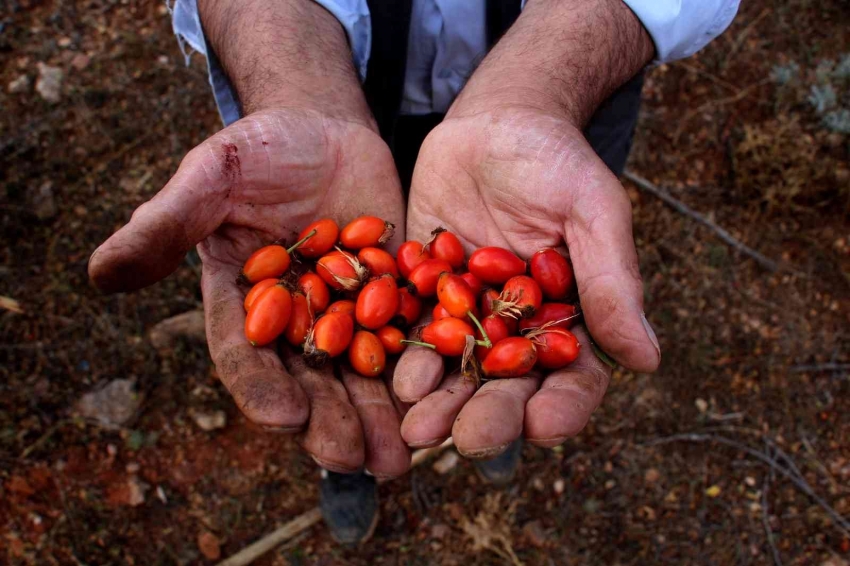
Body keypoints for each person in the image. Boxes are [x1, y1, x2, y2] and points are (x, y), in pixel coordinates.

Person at [89, 0, 740, 544]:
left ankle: (490, 380)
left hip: (559, 107)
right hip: (347, 96)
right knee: (338, 393)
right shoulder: (334, 265)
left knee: (548, 268)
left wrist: (541, 80)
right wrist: (299, 87)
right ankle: (349, 467)